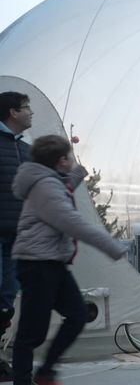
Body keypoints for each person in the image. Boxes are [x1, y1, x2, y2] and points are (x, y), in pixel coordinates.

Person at [11, 135, 128, 385]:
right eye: (70, 158)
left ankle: (45, 372)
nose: (72, 162)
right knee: (32, 333)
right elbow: (72, 222)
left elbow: (61, 189)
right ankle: (24, 380)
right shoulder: (46, 187)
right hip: (37, 264)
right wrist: (112, 246)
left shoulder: (50, 182)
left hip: (51, 263)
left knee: (76, 315)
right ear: (61, 160)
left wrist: (79, 174)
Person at [0, 91, 32, 381]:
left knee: (7, 297)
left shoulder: (26, 149)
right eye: (26, 107)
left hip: (16, 236)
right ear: (12, 112)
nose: (30, 112)